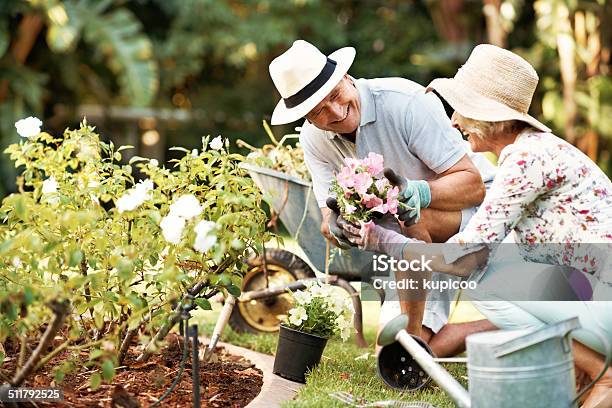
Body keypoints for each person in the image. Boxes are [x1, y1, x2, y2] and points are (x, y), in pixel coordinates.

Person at [343, 44, 612, 408]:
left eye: (461, 110)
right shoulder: (533, 151)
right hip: (596, 293)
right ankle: (584, 372)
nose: (454, 122)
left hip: (603, 299)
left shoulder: (525, 161)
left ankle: (603, 375)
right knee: (505, 268)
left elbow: (464, 257)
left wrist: (386, 241)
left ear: (487, 116)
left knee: (484, 281)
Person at [268, 39, 497, 356]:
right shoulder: (314, 140)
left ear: (346, 78)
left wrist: (418, 192)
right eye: (319, 111)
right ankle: (500, 329)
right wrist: (339, 226)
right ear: (306, 118)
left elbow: (474, 186)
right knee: (387, 352)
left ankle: (413, 337)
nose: (335, 112)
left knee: (412, 216)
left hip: (476, 217)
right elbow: (327, 217)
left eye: (335, 95)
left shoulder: (405, 103)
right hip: (413, 248)